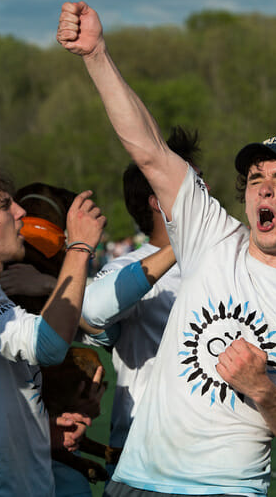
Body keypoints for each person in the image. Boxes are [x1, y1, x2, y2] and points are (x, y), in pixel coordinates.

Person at [57, 0, 276, 495]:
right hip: (136, 482)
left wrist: (262, 390)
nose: (263, 189)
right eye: (255, 179)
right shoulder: (214, 239)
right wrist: (96, 55)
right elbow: (150, 151)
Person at [0, 164, 105, 497]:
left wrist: (43, 430)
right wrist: (79, 249)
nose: (20, 212)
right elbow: (47, 345)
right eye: (5, 206)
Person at [79, 127, 201, 475]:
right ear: (158, 199)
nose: (205, 192)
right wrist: (177, 249)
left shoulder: (222, 261)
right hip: (146, 458)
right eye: (194, 183)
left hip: (213, 456)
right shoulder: (128, 267)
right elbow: (90, 313)